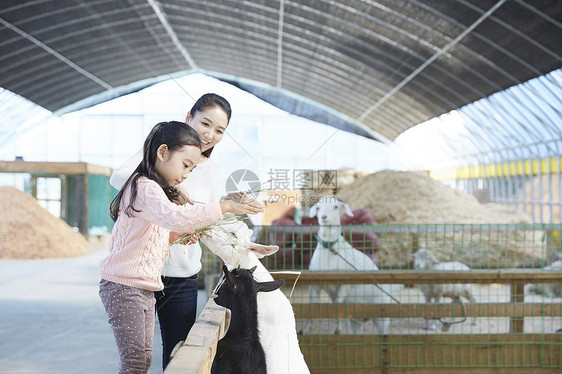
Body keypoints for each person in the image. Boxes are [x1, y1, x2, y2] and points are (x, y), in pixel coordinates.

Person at [99, 120, 263, 374]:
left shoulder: (152, 189)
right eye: (185, 165)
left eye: (192, 169)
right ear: (162, 152)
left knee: (141, 361)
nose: (186, 174)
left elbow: (151, 237)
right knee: (134, 363)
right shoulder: (145, 186)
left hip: (141, 286)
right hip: (124, 286)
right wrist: (224, 207)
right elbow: (174, 217)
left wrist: (177, 235)